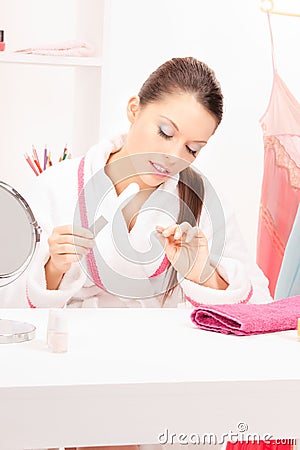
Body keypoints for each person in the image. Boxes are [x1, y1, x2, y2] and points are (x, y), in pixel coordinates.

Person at [23, 57, 272, 450]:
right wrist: (54, 268)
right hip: (74, 376)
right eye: (164, 132)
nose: (174, 156)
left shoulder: (204, 200)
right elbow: (11, 309)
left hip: (164, 380)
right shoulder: (56, 186)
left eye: (192, 148)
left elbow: (260, 304)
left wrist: (203, 274)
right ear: (134, 109)